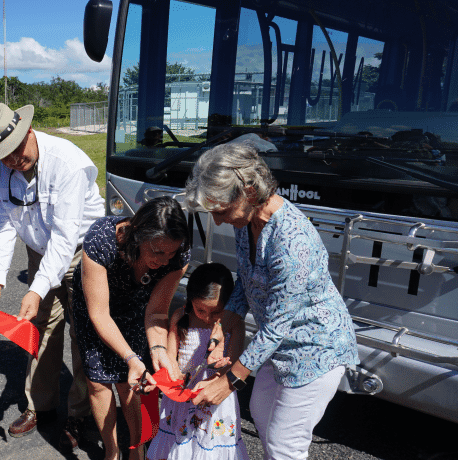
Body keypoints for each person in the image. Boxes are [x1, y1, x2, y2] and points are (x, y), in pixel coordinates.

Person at [184, 142, 359, 460]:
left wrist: (230, 381)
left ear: (249, 192)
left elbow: (277, 325)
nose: (219, 221)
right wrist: (226, 322)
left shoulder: (291, 240)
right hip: (280, 345)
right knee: (261, 412)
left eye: (221, 211)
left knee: (283, 444)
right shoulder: (246, 221)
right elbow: (247, 279)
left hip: (317, 347)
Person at [0, 102, 104, 450]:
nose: (13, 161)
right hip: (39, 249)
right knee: (39, 328)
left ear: (28, 131)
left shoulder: (67, 163)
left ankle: (80, 412)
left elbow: (64, 237)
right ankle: (38, 406)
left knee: (84, 334)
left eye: (16, 150)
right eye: (3, 155)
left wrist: (37, 287)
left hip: (82, 250)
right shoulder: (0, 171)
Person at [72, 196, 190, 460]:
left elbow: (158, 310)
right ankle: (111, 452)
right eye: (158, 251)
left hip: (139, 307)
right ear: (137, 234)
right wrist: (130, 356)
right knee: (99, 382)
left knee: (131, 384)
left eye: (170, 253)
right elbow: (100, 314)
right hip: (96, 306)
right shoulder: (102, 239)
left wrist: (159, 350)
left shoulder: (178, 255)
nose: (164, 260)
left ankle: (136, 450)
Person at [146, 263, 249, 460]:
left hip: (214, 398)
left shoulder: (234, 324)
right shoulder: (180, 316)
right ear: (191, 298)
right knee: (178, 444)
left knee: (208, 445)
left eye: (216, 312)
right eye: (201, 310)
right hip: (182, 396)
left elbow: (234, 364)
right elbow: (171, 360)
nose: (208, 318)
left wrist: (220, 370)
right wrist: (163, 378)